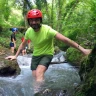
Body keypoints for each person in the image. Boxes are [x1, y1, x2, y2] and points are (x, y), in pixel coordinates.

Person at [5, 9, 91, 83]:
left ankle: (39, 93)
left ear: (40, 20)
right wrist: (15, 56)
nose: (34, 22)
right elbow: (23, 44)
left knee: (39, 73)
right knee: (35, 76)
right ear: (29, 21)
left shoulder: (48, 30)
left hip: (47, 54)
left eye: (36, 20)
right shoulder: (28, 32)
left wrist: (82, 50)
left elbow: (65, 40)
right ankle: (41, 91)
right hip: (35, 56)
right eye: (31, 20)